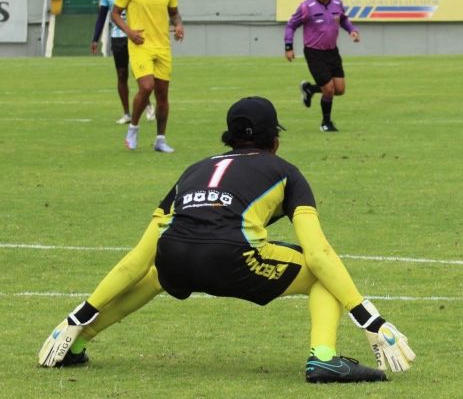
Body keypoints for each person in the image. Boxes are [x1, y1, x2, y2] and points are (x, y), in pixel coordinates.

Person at [37, 96, 415, 383]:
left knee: (155, 275)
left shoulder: (194, 169)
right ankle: (324, 357)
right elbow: (319, 253)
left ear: (229, 137)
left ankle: (80, 341)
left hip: (174, 260)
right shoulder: (286, 171)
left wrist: (77, 316)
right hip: (232, 261)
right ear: (275, 141)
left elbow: (137, 260)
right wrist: (370, 320)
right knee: (323, 274)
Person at [111, 0, 184, 153]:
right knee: (146, 86)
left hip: (162, 46)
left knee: (163, 95)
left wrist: (178, 25)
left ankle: (160, 140)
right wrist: (129, 31)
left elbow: (174, 13)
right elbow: (115, 14)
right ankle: (133, 128)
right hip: (140, 45)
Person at [284, 0, 359, 132]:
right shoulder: (306, 6)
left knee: (340, 89)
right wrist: (288, 47)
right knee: (329, 89)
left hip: (332, 52)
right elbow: (291, 25)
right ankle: (326, 122)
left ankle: (310, 89)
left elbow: (343, 19)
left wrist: (351, 30)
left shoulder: (337, 3)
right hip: (314, 53)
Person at [90, 0, 155, 125]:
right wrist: (95, 39)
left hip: (135, 37)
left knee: (140, 73)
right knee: (121, 75)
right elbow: (102, 16)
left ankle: (147, 105)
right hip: (117, 38)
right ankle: (127, 113)